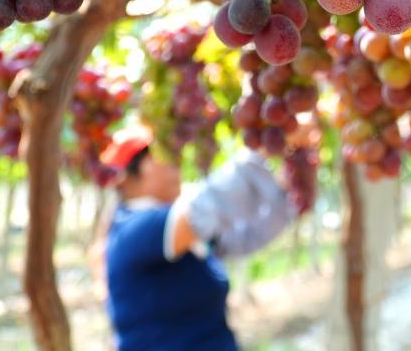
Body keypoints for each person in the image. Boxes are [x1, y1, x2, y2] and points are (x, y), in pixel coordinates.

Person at [100, 126, 295, 351]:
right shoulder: (135, 231)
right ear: (127, 176)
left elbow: (247, 237)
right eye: (162, 156)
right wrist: (268, 143)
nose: (175, 164)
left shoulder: (180, 234)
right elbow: (211, 204)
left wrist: (284, 192)